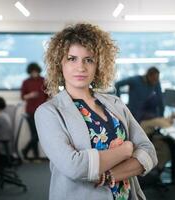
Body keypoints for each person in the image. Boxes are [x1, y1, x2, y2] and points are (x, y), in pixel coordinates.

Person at [34, 23, 157, 200]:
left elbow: (148, 151)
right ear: (59, 64)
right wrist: (125, 150)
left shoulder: (115, 103)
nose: (81, 67)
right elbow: (74, 167)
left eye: (89, 60)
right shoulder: (49, 112)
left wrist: (110, 176)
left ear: (98, 65)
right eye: (72, 59)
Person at [21, 63, 48, 160]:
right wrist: (30, 95)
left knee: (39, 134)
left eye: (36, 71)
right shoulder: (26, 82)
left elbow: (48, 96)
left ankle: (26, 150)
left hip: (41, 111)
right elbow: (23, 97)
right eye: (32, 72)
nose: (34, 73)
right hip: (30, 111)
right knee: (34, 134)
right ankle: (35, 156)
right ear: (30, 72)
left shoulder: (43, 81)